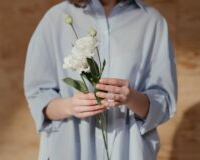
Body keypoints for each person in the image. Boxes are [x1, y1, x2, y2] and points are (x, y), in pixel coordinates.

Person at [23, 0, 178, 159]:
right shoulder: (55, 19)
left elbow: (164, 101)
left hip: (129, 152)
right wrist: (70, 106)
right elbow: (38, 95)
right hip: (69, 150)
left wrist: (130, 97)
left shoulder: (152, 22)